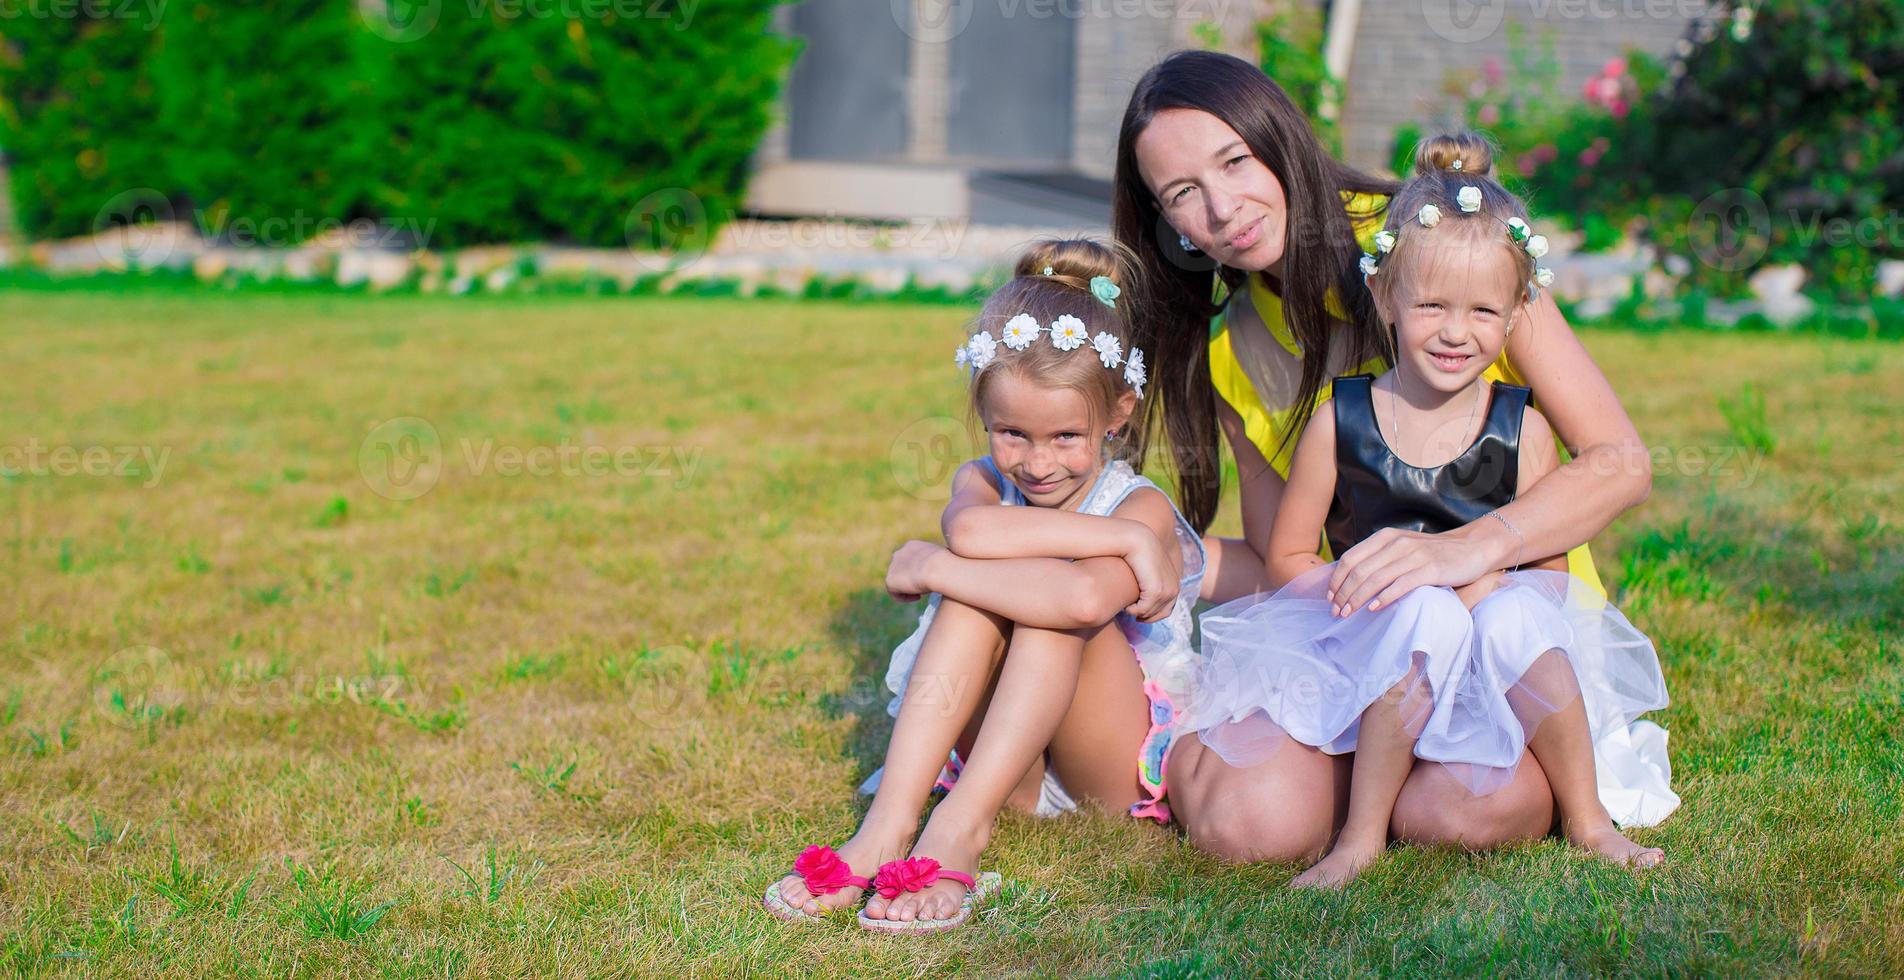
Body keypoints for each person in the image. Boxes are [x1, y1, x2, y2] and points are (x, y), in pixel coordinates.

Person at [1113, 50, 1660, 861]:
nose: (1222, 209)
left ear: (1279, 136)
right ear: (1166, 221)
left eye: (1235, 161)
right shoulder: (1234, 349)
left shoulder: (1440, 234)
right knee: (1248, 825)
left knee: (1461, 814)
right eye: (1183, 194)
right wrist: (1129, 551)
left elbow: (1621, 460)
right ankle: (1349, 772)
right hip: (1372, 626)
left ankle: (1442, 777)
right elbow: (1279, 558)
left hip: (1509, 616)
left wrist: (1468, 551)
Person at [763, 239, 1205, 934]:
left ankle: (960, 829)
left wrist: (929, 566)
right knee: (981, 589)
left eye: (1065, 436)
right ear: (982, 409)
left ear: (1119, 411)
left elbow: (1083, 601)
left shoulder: (1139, 509)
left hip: (1102, 767)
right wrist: (1117, 546)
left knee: (1044, 602)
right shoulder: (981, 483)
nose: (1035, 463)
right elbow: (970, 534)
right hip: (1006, 764)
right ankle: (889, 825)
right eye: (1011, 434)